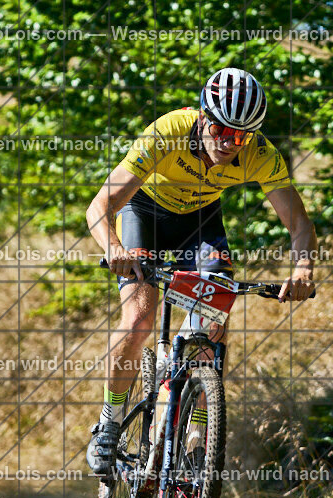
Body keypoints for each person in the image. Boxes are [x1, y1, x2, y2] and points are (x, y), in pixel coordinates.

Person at [85, 67, 317, 476]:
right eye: (223, 131)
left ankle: (196, 437)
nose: (230, 143)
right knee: (139, 319)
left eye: (241, 136)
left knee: (213, 320)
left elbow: (299, 224)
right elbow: (100, 206)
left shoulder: (259, 154)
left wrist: (302, 270)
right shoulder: (169, 131)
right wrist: (116, 249)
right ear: (203, 118)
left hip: (200, 224)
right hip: (146, 214)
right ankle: (109, 424)